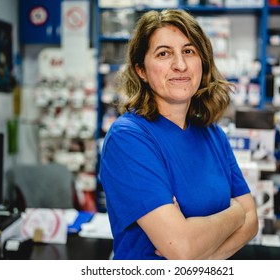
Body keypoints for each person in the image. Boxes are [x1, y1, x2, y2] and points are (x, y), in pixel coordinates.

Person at [99, 9, 258, 260]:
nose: (180, 65)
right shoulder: (128, 138)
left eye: (188, 51)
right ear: (141, 70)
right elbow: (182, 247)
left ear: (202, 61)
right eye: (164, 53)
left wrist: (197, 260)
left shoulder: (213, 134)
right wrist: (236, 212)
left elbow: (252, 222)